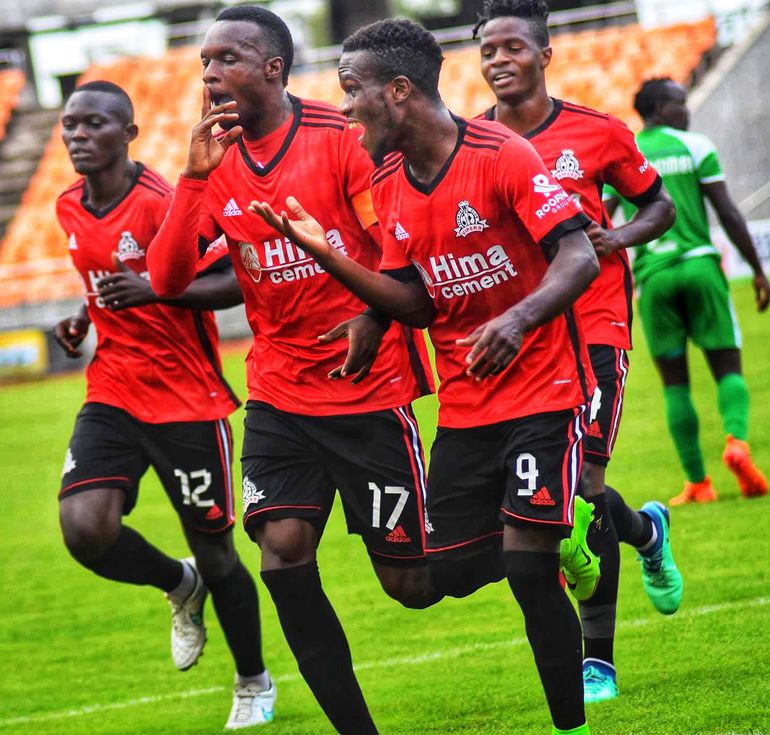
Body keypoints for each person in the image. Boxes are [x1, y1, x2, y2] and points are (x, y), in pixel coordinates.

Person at [251, 17, 604, 735]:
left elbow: (578, 255)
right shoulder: (389, 182)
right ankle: (563, 532)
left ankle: (573, 721)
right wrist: (343, 279)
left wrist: (517, 320)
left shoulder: (501, 153)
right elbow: (413, 299)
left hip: (546, 388)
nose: (345, 106)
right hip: (468, 406)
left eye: (352, 89)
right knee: (441, 574)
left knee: (527, 566)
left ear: (398, 91)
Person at [146, 7, 438, 734]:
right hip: (278, 392)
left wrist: (373, 316)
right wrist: (191, 178)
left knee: (412, 585)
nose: (211, 73)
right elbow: (168, 278)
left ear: (274, 68)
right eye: (204, 62)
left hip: (366, 388)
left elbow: (398, 249)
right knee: (281, 556)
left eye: (228, 59)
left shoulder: (341, 139)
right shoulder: (213, 160)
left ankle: (544, 541)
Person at [472, 0, 684, 704]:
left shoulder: (597, 131)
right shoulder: (473, 143)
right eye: (488, 50)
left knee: (583, 489)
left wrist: (616, 238)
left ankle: (599, 662)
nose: (499, 60)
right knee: (547, 502)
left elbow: (659, 204)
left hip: (594, 326)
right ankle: (646, 531)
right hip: (522, 337)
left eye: (512, 47)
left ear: (544, 55)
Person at [54, 81, 275, 731]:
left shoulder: (163, 202)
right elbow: (102, 279)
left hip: (187, 401)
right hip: (113, 388)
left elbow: (234, 279)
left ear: (129, 133)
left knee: (219, 555)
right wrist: (83, 317)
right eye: (69, 125)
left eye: (94, 124)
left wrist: (155, 289)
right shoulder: (68, 206)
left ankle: (253, 681)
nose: (77, 136)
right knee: (84, 529)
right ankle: (178, 583)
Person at [604, 77, 769, 504]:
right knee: (727, 366)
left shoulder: (625, 153)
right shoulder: (695, 146)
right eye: (679, 102)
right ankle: (736, 442)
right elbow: (727, 213)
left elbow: (600, 216)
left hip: (653, 278)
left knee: (674, 383)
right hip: (700, 267)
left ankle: (698, 482)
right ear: (659, 107)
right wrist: (758, 270)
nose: (687, 110)